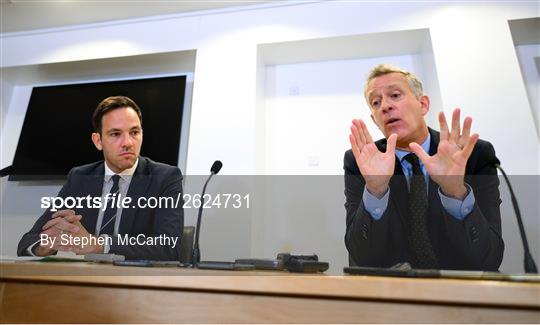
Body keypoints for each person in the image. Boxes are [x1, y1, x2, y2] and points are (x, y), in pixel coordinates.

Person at [344, 64, 504, 270]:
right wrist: (376, 191)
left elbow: (489, 258)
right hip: (394, 295)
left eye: (395, 95)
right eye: (376, 102)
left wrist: (455, 192)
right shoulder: (359, 162)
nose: (385, 106)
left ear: (423, 105)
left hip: (462, 293)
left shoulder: (472, 155)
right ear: (375, 120)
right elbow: (362, 259)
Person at [18, 96, 183, 260]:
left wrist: (98, 245)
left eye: (134, 132)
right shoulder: (80, 177)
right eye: (115, 134)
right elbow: (28, 241)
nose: (128, 142)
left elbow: (169, 246)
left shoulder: (165, 178)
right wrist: (45, 245)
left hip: (136, 282)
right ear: (98, 141)